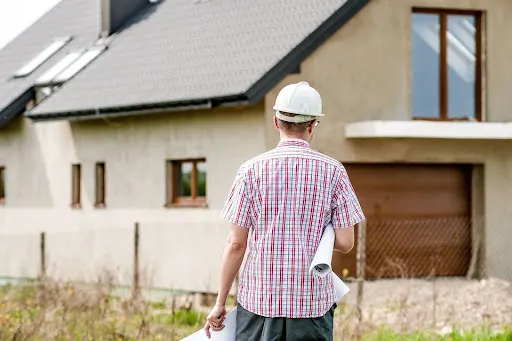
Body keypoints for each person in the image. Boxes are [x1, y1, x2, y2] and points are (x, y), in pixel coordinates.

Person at [204, 81, 365, 341]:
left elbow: (236, 244)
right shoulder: (334, 171)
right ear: (313, 125)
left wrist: (220, 303)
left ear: (276, 122)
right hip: (311, 306)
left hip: (259, 303)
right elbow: (346, 242)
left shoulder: (250, 171)